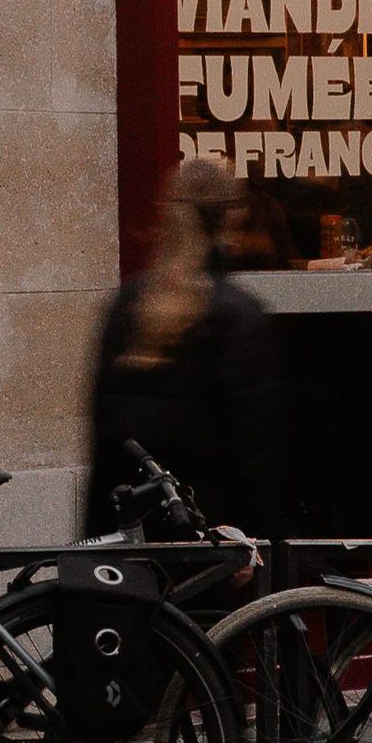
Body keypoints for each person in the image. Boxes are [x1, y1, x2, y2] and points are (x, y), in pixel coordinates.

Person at [83, 159, 284, 535]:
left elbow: (103, 448)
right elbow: (256, 458)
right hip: (207, 540)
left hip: (132, 539)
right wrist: (264, 542)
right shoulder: (237, 316)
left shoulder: (126, 306)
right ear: (234, 217)